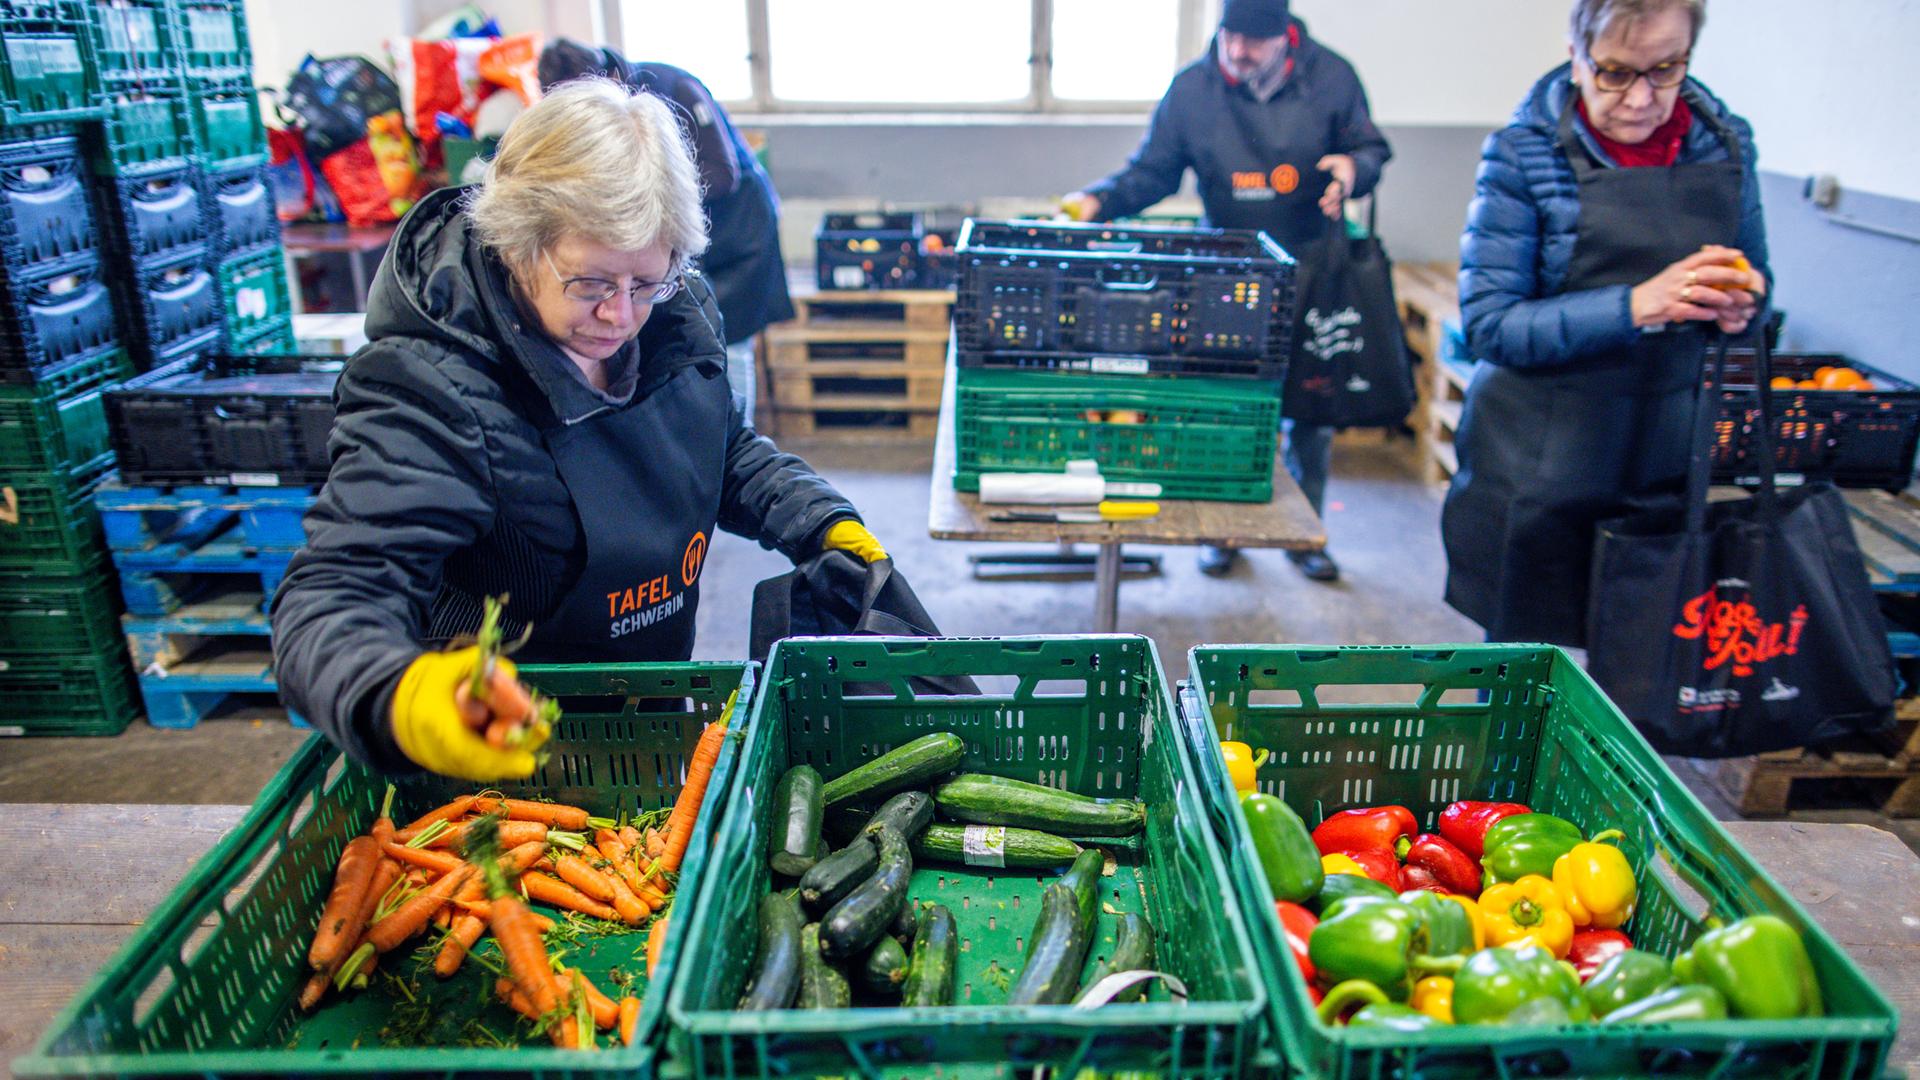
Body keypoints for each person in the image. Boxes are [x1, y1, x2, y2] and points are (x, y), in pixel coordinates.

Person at [272, 80, 885, 781]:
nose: (620, 315)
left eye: (645, 283)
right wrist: (400, 698)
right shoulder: (428, 384)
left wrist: (818, 518)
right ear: (517, 245)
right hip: (498, 749)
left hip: (646, 711)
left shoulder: (675, 314)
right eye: (590, 284)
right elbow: (333, 593)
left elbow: (717, 446)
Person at [1442, 0, 1768, 646]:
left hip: (1660, 461)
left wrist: (1742, 305)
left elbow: (1758, 276)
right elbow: (1491, 323)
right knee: (1519, 672)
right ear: (1577, 56)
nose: (1641, 98)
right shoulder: (1524, 153)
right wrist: (1636, 306)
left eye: (1665, 69)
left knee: (1639, 660)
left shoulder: (1726, 144)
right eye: (1615, 73)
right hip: (1538, 464)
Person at [1062, 0, 1390, 582]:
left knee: (1309, 410)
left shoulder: (1333, 76)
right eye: (1229, 37)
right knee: (1225, 405)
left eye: (1253, 41)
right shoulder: (1193, 89)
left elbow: (1370, 148)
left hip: (1312, 264)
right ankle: (1222, 530)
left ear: (1285, 37)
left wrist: (1351, 170)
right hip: (1229, 271)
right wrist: (1101, 199)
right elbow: (1153, 170)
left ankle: (1306, 532)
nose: (1238, 52)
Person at [538, 39, 793, 425]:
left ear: (600, 77)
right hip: (695, 240)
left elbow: (723, 173)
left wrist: (643, 187)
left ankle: (737, 433)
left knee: (730, 340)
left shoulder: (673, 87)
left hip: (740, 231)